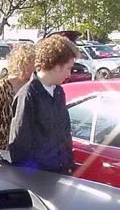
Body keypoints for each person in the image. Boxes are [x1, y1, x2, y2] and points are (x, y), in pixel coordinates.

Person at [8, 35, 79, 174]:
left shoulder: (59, 92)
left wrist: (69, 165)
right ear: (57, 66)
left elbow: (65, 135)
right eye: (68, 68)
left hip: (61, 173)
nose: (69, 74)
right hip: (40, 178)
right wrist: (32, 179)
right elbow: (20, 145)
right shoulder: (27, 96)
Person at [0, 43, 35, 151]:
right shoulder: (1, 88)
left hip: (25, 151)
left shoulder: (33, 87)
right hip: (2, 149)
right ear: (23, 63)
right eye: (34, 63)